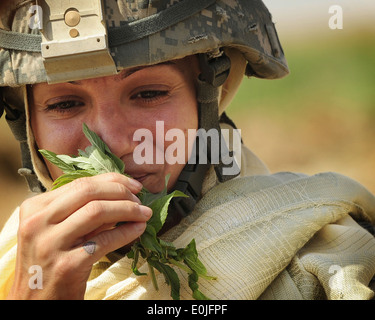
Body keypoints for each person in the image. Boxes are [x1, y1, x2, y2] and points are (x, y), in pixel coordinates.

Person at [0, 0, 374, 300]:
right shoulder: (13, 264)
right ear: (27, 123)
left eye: (149, 93)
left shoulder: (333, 268)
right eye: (65, 104)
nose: (112, 140)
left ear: (210, 96)